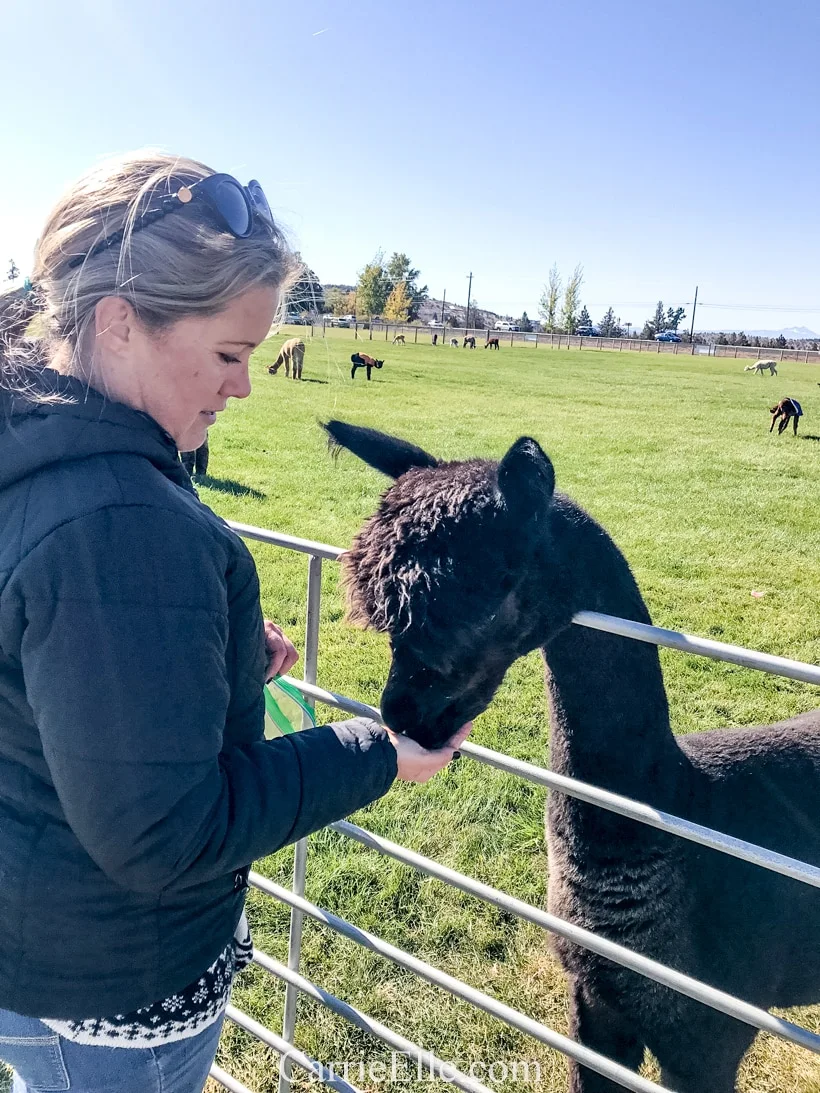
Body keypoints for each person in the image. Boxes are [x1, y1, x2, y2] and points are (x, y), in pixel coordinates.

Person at [0, 151, 470, 1093]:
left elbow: (48, 668)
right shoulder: (120, 520)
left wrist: (197, 661)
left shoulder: (33, 448)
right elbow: (164, 834)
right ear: (120, 324)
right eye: (229, 354)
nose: (245, 386)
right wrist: (375, 752)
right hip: (114, 994)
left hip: (38, 939)